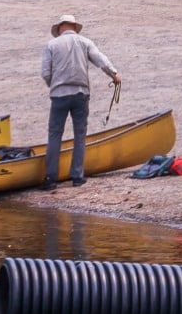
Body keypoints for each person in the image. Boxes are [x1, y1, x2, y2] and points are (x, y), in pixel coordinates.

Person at [40, 12, 121, 190]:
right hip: (80, 94)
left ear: (61, 27)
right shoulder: (85, 42)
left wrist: (54, 84)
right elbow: (101, 60)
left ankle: (50, 178)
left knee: (54, 135)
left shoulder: (51, 45)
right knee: (79, 135)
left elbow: (45, 72)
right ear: (74, 27)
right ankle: (77, 176)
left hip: (59, 95)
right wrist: (114, 75)